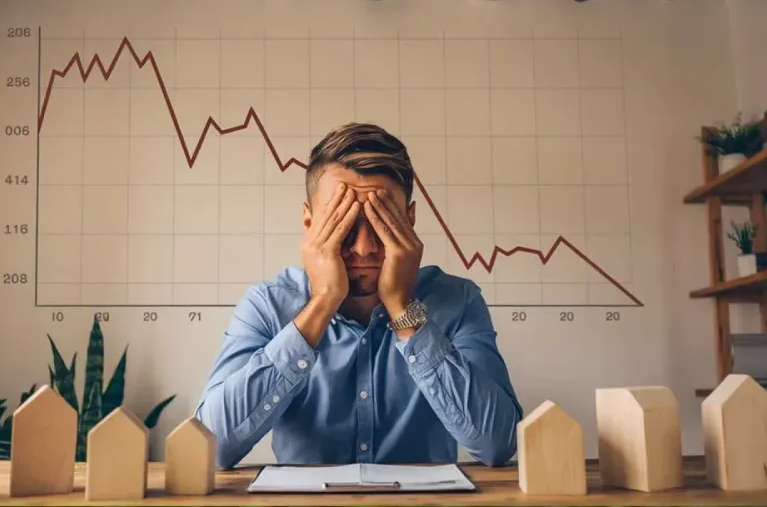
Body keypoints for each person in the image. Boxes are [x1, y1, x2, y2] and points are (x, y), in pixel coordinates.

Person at [195, 123, 523, 470]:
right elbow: (210, 446)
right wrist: (323, 301)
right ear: (309, 222)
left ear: (409, 221)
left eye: (382, 222)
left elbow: (496, 444)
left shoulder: (458, 300)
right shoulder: (267, 305)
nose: (364, 249)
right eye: (343, 225)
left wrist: (402, 306)